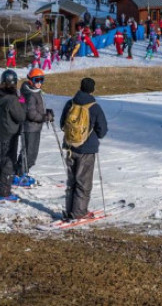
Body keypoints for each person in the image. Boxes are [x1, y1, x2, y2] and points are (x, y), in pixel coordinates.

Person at [60, 77, 108, 221]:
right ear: (93, 90)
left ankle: (70, 210)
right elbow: (102, 131)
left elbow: (62, 124)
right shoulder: (94, 107)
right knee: (83, 183)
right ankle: (79, 213)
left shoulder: (70, 103)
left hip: (69, 147)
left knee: (72, 181)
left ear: (80, 87)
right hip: (87, 149)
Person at [0, 69, 26, 203]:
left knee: (3, 160)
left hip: (2, 132)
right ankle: (3, 192)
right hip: (10, 133)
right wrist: (21, 102)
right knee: (8, 162)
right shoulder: (11, 99)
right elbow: (20, 116)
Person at [15, 68, 53, 187]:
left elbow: (34, 109)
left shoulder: (32, 91)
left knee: (28, 153)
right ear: (30, 80)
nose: (39, 82)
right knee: (29, 154)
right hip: (30, 127)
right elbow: (31, 114)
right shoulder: (30, 94)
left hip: (33, 127)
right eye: (37, 80)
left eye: (42, 80)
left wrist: (46, 112)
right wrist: (45, 117)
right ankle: (19, 175)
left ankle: (20, 174)